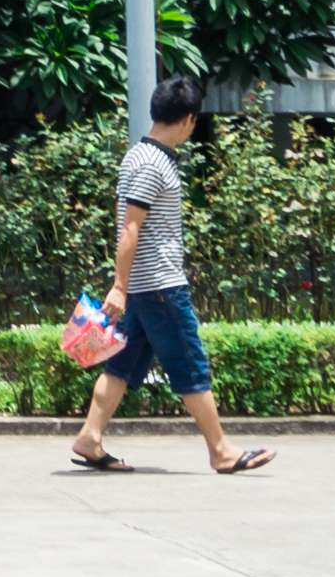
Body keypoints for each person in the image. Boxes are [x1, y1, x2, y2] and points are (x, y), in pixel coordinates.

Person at [71, 76, 273, 477]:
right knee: (190, 366)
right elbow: (131, 228)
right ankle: (221, 451)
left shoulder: (136, 156)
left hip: (146, 289)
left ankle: (89, 438)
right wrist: (119, 287)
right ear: (187, 120)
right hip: (160, 287)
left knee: (122, 366)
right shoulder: (152, 163)